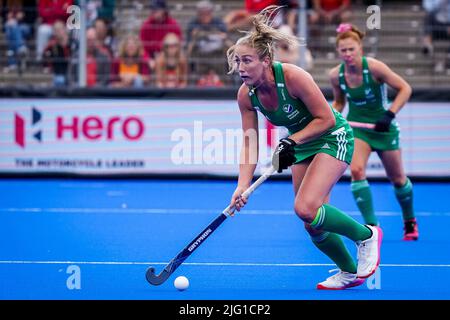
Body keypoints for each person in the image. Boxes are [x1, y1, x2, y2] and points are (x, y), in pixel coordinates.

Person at [227, 6, 382, 290]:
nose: (240, 68)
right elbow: (250, 141)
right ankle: (349, 271)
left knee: (305, 207)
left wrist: (291, 141)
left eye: (247, 60)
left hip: (333, 136)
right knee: (312, 222)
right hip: (302, 144)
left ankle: (366, 235)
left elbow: (325, 118)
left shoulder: (293, 76)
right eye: (237, 61)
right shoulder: (245, 96)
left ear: (265, 59)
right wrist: (242, 185)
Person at [329, 23, 418, 241]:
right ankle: (372, 226)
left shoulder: (375, 68)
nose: (348, 54)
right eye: (343, 50)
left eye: (352, 49)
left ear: (360, 48)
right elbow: (340, 102)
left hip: (383, 129)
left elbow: (405, 88)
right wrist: (329, 116)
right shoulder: (336, 75)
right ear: (338, 52)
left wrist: (390, 115)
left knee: (397, 179)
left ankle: (409, 220)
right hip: (357, 128)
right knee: (357, 170)